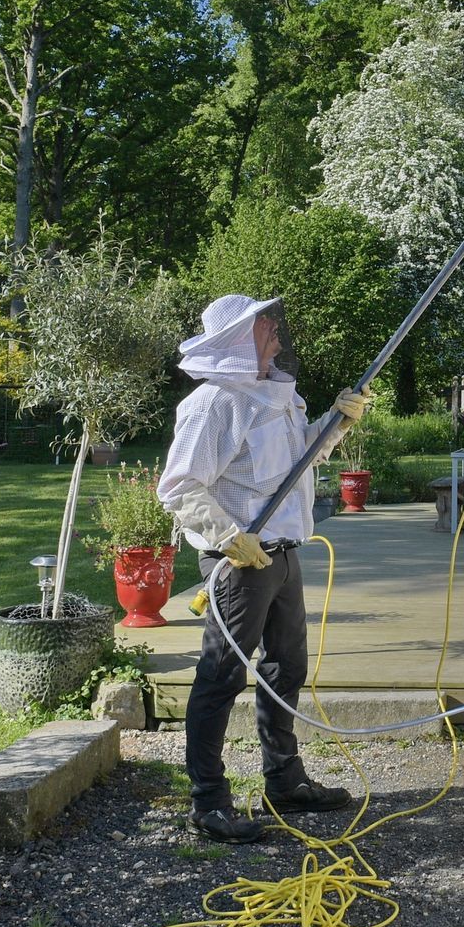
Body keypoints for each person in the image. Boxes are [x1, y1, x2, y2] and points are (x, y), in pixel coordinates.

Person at [157, 294, 370, 843]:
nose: (276, 331)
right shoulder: (215, 404)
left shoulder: (277, 394)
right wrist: (230, 537)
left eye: (272, 323)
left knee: (285, 668)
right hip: (241, 562)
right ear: (235, 339)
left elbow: (298, 459)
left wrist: (334, 424)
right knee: (222, 676)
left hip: (283, 552)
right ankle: (209, 802)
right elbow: (179, 485)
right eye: (263, 325)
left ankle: (285, 780)